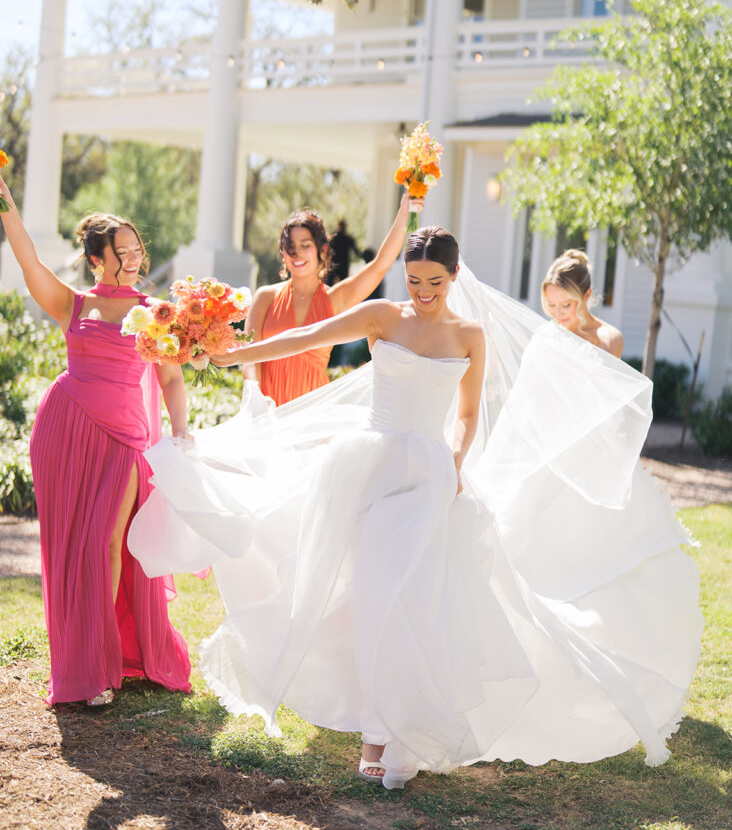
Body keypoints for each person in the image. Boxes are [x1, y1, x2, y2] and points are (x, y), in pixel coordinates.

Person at [129, 225, 701, 789]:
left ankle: (385, 733)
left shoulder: (471, 335)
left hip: (428, 474)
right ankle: (379, 725)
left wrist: (454, 458)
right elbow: (304, 338)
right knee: (366, 592)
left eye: (434, 280)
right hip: (367, 467)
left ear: (454, 275)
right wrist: (226, 354)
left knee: (404, 597)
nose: (423, 291)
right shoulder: (383, 317)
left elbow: (470, 413)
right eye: (414, 279)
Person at [0, 173, 191, 706]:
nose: (132, 258)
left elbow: (171, 379)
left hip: (125, 439)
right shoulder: (75, 306)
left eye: (135, 249)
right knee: (76, 548)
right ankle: (85, 662)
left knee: (108, 541)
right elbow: (29, 264)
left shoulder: (156, 314)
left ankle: (102, 662)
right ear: (96, 259)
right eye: (121, 252)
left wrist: (181, 434)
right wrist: (6, 204)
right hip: (66, 432)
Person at [243, 193, 420, 405]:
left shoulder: (334, 299)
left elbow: (379, 265)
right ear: (283, 254)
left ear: (322, 249)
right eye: (290, 248)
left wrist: (403, 212)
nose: (296, 254)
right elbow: (248, 356)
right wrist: (255, 399)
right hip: (266, 411)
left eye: (305, 245)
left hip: (314, 412)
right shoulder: (265, 297)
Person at [542, 249, 623, 357]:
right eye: (552, 304)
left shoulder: (608, 337)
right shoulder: (546, 336)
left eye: (566, 305)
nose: (558, 313)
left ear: (587, 295)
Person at [325, 218, 361, 285]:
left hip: (335, 264)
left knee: (330, 284)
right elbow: (357, 252)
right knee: (343, 285)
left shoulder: (333, 237)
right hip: (341, 265)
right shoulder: (347, 238)